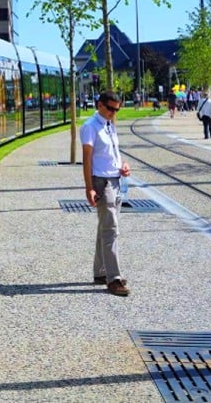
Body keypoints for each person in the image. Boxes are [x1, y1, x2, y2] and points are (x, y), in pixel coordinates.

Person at [80, 90, 132, 297]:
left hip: (115, 179)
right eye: (110, 109)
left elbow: (112, 153)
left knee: (105, 226)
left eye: (116, 110)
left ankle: (101, 272)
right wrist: (89, 187)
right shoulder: (90, 127)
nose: (113, 113)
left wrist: (123, 165)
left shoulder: (110, 125)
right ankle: (114, 279)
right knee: (111, 229)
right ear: (99, 105)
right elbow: (87, 159)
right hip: (101, 181)